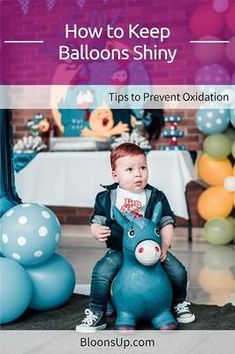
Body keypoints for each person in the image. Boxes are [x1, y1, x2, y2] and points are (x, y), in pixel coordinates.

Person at [76, 143, 195, 332]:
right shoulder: (107, 198)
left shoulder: (156, 196)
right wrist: (96, 230)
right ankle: (96, 311)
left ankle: (179, 303)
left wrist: (165, 245)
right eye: (129, 169)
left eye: (143, 167)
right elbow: (97, 220)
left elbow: (166, 221)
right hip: (120, 250)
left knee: (178, 271)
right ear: (115, 175)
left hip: (152, 250)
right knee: (102, 272)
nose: (138, 174)